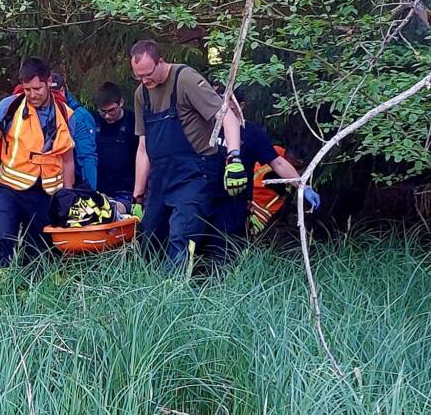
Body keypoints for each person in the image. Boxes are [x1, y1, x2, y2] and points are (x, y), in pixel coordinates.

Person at [130, 39, 246, 273]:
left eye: (148, 74)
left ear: (161, 62)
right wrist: (137, 196)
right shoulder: (142, 94)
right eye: (138, 76)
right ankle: (150, 293)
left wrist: (234, 158)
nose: (144, 81)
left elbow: (227, 117)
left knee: (182, 236)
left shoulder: (186, 79)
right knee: (150, 239)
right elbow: (143, 148)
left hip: (195, 174)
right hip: (161, 178)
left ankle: (175, 295)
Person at [0, 57, 76, 269]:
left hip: (46, 193)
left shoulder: (65, 114)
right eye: (27, 89)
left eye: (37, 88)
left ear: (49, 81)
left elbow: (67, 157)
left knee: (43, 253)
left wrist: (67, 193)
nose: (32, 95)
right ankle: (2, 285)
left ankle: (34, 293)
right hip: (9, 188)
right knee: (0, 236)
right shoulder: (9, 107)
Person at [207, 88, 320, 259]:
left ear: (241, 105)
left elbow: (278, 162)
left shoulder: (252, 134)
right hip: (202, 198)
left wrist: (302, 186)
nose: (221, 105)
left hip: (234, 203)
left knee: (224, 255)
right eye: (218, 99)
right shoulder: (204, 127)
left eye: (227, 101)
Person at [48, 73, 98, 191]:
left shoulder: (79, 117)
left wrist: (90, 194)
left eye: (56, 93)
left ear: (62, 90)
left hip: (74, 183)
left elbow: (87, 158)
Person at [92, 82, 137, 199]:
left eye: (111, 111)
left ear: (121, 102)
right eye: (103, 112)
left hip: (126, 189)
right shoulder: (94, 120)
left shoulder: (133, 121)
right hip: (100, 189)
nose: (107, 116)